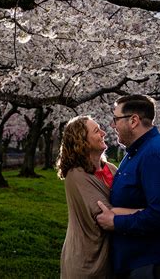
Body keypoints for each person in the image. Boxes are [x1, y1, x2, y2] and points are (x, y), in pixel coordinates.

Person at [96, 94, 160, 279]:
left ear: (134, 120)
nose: (113, 126)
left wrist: (115, 222)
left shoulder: (155, 154)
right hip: (142, 260)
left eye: (116, 119)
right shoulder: (136, 152)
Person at [56, 115, 139, 278]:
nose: (103, 133)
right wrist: (152, 211)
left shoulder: (111, 168)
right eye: (96, 131)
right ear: (83, 141)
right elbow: (104, 215)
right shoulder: (76, 175)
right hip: (86, 261)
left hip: (113, 259)